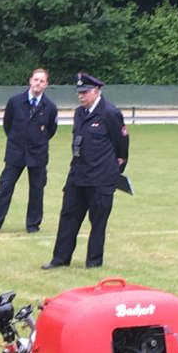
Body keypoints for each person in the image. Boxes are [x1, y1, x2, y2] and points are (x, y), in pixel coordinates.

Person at [42, 72, 129, 270]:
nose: (81, 96)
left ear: (97, 91)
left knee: (98, 222)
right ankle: (60, 258)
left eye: (85, 92)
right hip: (78, 175)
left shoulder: (110, 113)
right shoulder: (79, 113)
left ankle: (93, 262)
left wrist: (113, 172)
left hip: (100, 178)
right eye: (79, 92)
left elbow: (122, 146)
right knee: (68, 218)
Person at [0, 69, 58, 233]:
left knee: (37, 191)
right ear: (30, 80)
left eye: (42, 81)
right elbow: (8, 125)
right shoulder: (15, 102)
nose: (38, 83)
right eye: (36, 79)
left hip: (38, 154)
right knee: (5, 188)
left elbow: (51, 130)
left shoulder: (50, 107)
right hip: (15, 153)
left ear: (46, 84)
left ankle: (33, 225)